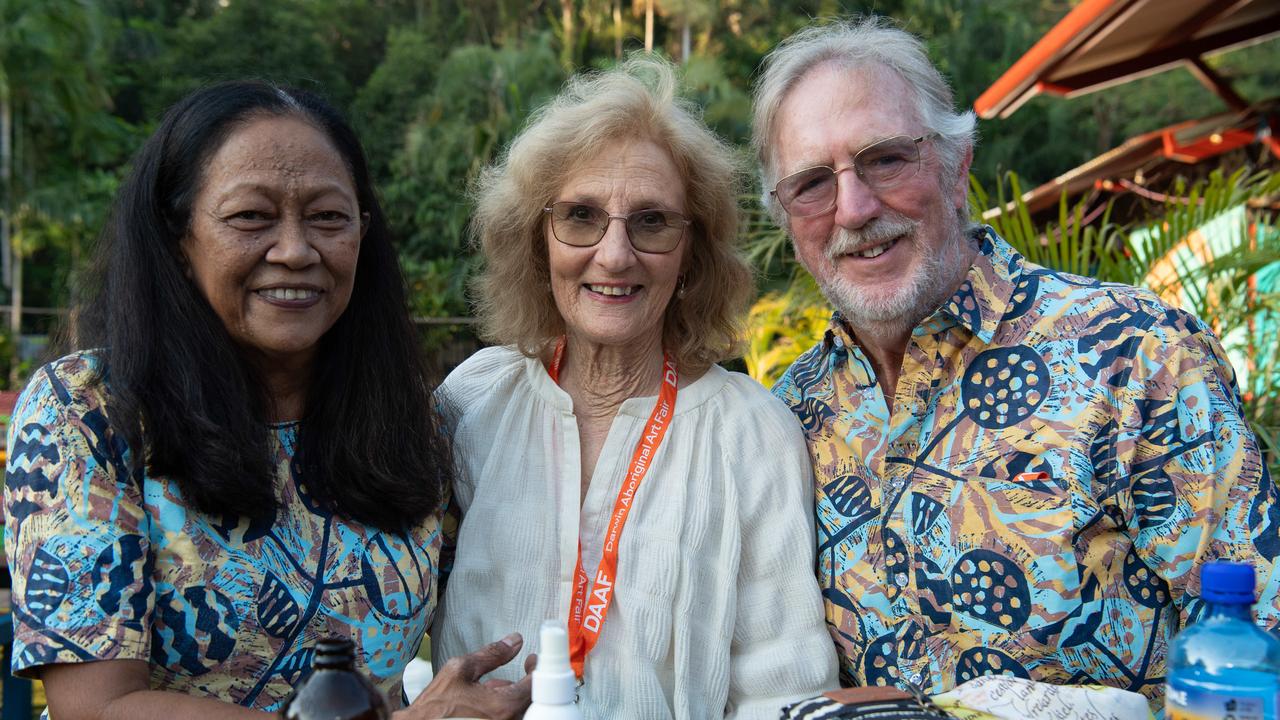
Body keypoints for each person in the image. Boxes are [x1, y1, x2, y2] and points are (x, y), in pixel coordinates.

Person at [752, 16, 1280, 706]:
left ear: (957, 162)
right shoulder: (790, 413)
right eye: (812, 183)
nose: (853, 208)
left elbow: (1255, 657)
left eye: (884, 159)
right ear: (787, 217)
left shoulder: (1136, 354)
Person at [3, 81, 533, 720]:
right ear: (178, 236)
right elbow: (96, 708)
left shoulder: (411, 422)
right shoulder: (87, 412)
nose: (295, 251)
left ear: (362, 233)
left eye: (328, 218)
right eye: (251, 217)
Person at [431, 57, 838, 719]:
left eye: (651, 222)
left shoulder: (751, 432)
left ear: (690, 255)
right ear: (539, 243)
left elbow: (782, 690)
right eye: (581, 216)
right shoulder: (473, 401)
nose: (615, 255)